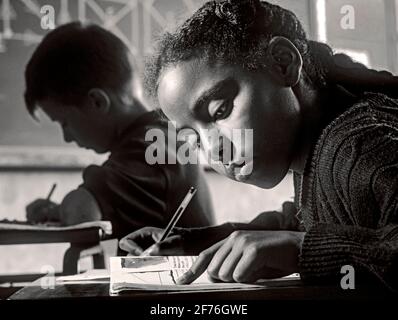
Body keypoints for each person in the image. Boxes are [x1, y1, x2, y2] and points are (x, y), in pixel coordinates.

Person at [119, 0, 398, 290]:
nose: (214, 150)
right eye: (193, 138)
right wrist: (194, 242)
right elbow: (307, 222)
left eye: (220, 111)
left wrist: (301, 250)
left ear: (282, 63)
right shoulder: (320, 149)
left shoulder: (359, 145)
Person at [24, 22, 214, 239]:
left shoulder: (150, 146)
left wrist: (59, 211)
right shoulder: (159, 135)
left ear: (96, 102)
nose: (67, 137)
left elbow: (82, 212)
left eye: (64, 122)